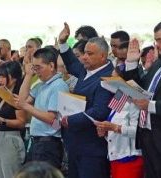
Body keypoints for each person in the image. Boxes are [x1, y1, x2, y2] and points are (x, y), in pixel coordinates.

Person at [123, 19, 161, 178]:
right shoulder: (159, 63)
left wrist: (151, 106)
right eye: (156, 41)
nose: (157, 46)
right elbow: (141, 88)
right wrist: (132, 63)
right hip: (147, 136)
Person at [58, 22, 113, 178]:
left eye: (89, 54)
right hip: (76, 144)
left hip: (92, 148)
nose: (84, 57)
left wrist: (71, 120)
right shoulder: (86, 69)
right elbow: (72, 63)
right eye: (84, 53)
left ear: (103, 56)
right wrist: (62, 43)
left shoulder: (108, 77)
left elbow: (99, 111)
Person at [16, 47, 69, 169]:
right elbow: (21, 100)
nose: (36, 71)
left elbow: (51, 118)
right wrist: (28, 75)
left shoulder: (58, 85)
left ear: (51, 65)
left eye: (38, 67)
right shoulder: (41, 85)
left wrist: (26, 106)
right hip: (38, 141)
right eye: (34, 68)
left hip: (49, 142)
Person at [95, 69, 144, 178]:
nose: (111, 81)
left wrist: (115, 127)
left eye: (114, 78)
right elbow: (114, 129)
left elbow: (138, 132)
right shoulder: (118, 98)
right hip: (115, 155)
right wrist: (105, 132)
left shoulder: (135, 100)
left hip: (130, 158)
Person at [0, 61, 27, 178]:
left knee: (10, 174)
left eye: (3, 76)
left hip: (10, 138)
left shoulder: (17, 96)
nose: (0, 80)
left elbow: (21, 122)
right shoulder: (2, 94)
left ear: (13, 77)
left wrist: (4, 121)